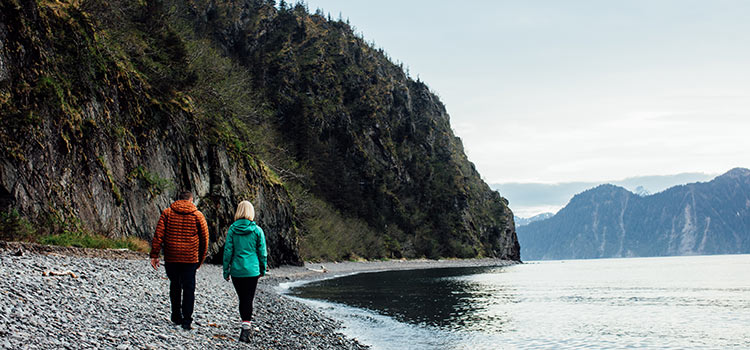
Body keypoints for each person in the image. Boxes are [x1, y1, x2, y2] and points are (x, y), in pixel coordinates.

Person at [150, 191, 209, 330]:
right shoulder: (197, 215)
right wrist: (200, 259)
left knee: (175, 285)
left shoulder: (167, 213)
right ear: (191, 200)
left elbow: (158, 235)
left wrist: (154, 255)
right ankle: (187, 321)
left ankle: (176, 315)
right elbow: (204, 240)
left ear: (178, 199)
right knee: (189, 289)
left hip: (172, 257)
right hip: (190, 258)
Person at [223, 200, 268, 343]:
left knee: (243, 298)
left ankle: (245, 326)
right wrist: (263, 268)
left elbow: (228, 251)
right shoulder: (257, 230)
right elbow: (262, 252)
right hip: (252, 270)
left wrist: (226, 270)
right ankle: (246, 328)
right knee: (248, 298)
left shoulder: (232, 229)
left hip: (237, 270)